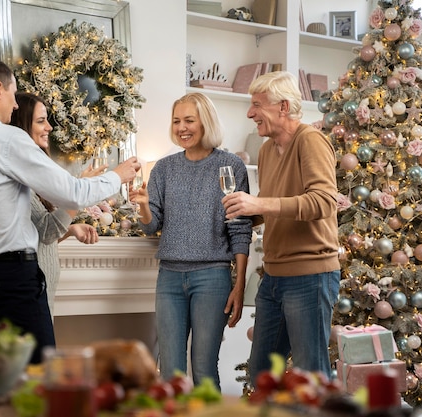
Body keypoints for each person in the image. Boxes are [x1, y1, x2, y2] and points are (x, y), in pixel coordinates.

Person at [0, 57, 140, 363]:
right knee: (41, 375)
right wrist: (118, 176)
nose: (16, 106)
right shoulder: (8, 139)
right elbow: (73, 192)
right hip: (15, 278)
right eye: (15, 95)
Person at [221, 71, 340, 385]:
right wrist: (240, 213)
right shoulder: (265, 150)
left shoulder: (310, 140)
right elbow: (270, 204)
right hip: (273, 278)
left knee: (311, 378)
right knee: (261, 377)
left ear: (283, 107)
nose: (250, 113)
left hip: (310, 276)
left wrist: (258, 205)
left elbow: (323, 202)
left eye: (257, 104)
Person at [130, 92, 252, 389]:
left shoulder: (230, 166)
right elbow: (151, 227)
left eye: (189, 120)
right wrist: (144, 206)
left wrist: (240, 284)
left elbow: (239, 229)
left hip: (212, 277)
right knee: (170, 372)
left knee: (203, 368)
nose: (181, 128)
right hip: (169, 277)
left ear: (205, 122)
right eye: (176, 121)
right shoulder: (163, 168)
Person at [11, 91, 105, 318]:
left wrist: (70, 230)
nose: (49, 128)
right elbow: (47, 230)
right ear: (23, 125)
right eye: (41, 121)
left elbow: (40, 235)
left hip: (42, 292)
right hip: (29, 293)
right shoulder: (20, 177)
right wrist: (80, 193)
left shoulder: (37, 173)